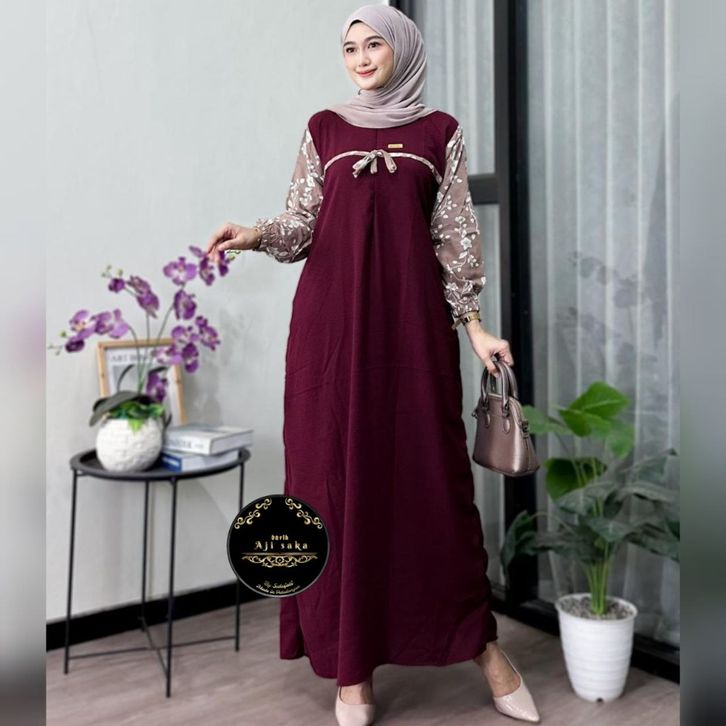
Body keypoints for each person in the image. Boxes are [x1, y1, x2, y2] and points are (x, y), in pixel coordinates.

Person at [206, 5, 541, 725]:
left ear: (403, 51)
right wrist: (253, 233)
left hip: (412, 334)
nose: (360, 58)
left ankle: (484, 649)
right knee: (330, 484)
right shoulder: (324, 129)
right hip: (329, 335)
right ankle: (350, 668)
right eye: (349, 47)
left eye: (374, 44)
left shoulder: (439, 132)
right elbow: (302, 225)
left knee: (433, 488)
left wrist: (476, 328)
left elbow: (455, 236)